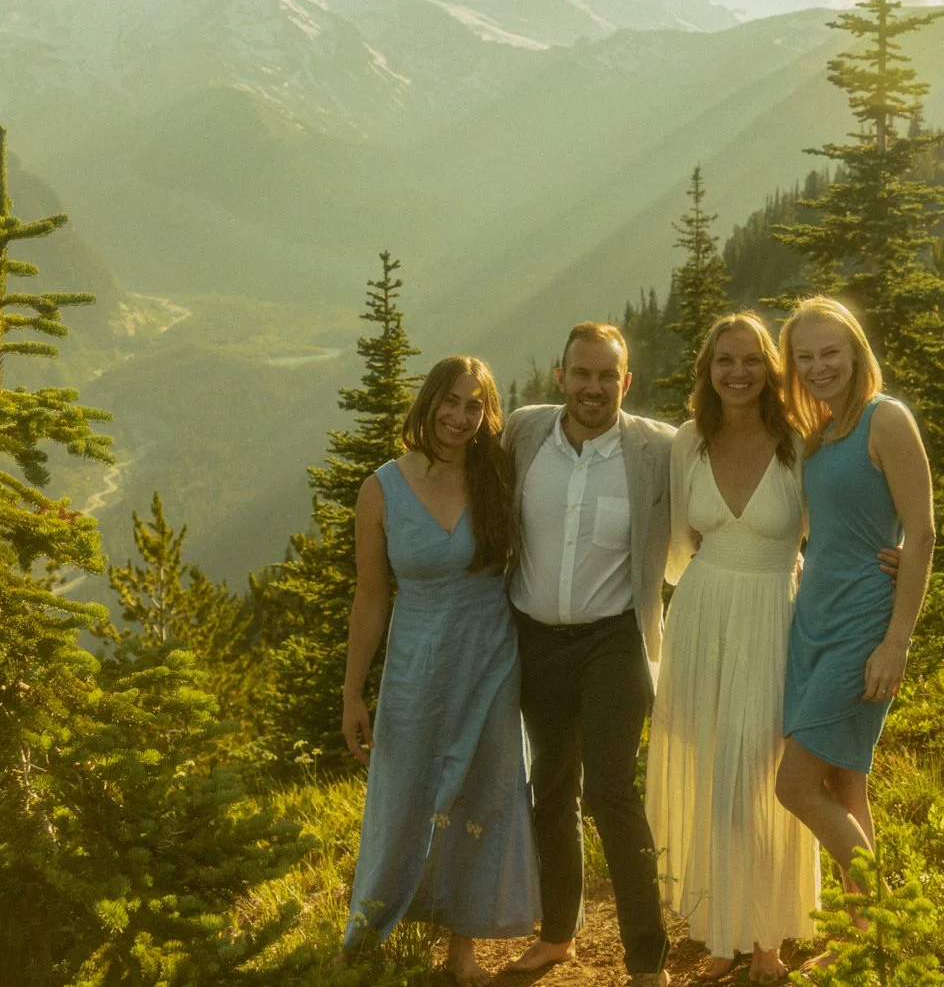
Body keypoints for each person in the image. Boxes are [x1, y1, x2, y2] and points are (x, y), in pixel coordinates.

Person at [341, 355, 536, 986]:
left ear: (487, 416)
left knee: (487, 791)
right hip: (416, 666)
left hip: (492, 659)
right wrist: (352, 693)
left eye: (473, 406)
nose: (459, 416)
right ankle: (373, 928)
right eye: (449, 401)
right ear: (427, 404)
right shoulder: (382, 487)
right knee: (405, 794)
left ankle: (463, 946)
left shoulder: (497, 475)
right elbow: (371, 597)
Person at [646, 313, 820, 983]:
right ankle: (723, 933)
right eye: (726, 361)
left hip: (776, 614)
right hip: (703, 614)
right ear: (707, 370)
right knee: (719, 775)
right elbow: (674, 546)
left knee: (764, 773)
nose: (739, 371)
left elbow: (829, 536)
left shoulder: (798, 441)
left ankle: (770, 936)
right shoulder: (689, 440)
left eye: (752, 360)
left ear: (771, 369)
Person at [502, 322, 674, 987]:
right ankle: (558, 934)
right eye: (583, 373)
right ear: (561, 376)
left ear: (626, 383)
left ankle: (646, 959)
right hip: (535, 637)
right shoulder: (522, 433)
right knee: (551, 786)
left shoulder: (655, 449)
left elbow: (726, 497)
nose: (594, 387)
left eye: (608, 375)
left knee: (609, 789)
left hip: (615, 638)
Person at [773, 297, 936, 901]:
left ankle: (885, 920)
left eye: (830, 353)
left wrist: (896, 643)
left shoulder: (884, 418)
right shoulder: (823, 430)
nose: (819, 367)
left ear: (856, 353)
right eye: (806, 356)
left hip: (863, 624)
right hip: (813, 619)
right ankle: (867, 937)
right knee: (845, 787)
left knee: (793, 785)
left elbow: (921, 531)